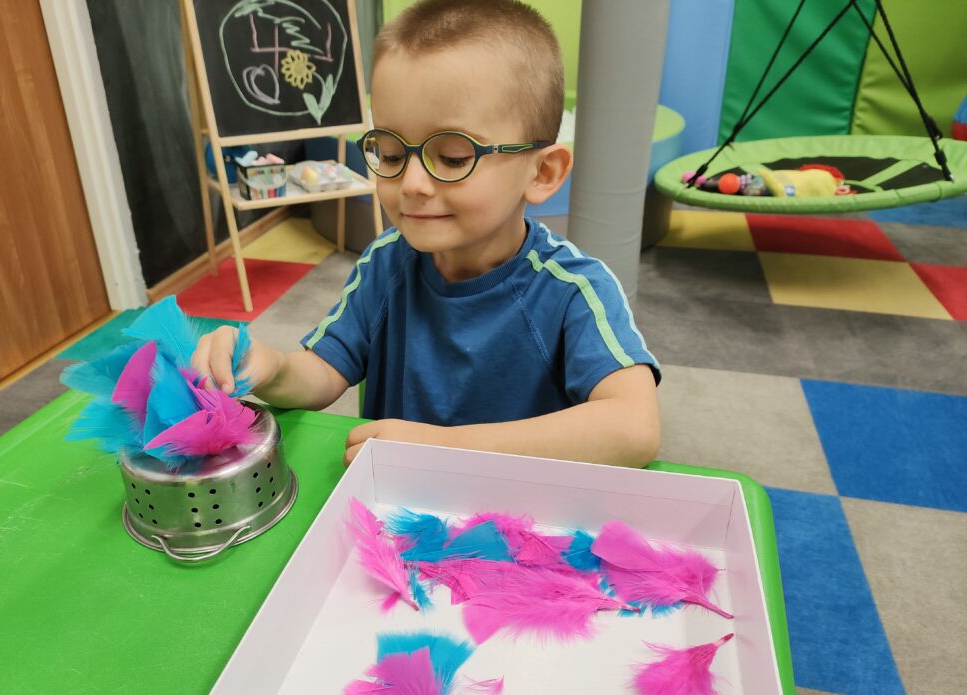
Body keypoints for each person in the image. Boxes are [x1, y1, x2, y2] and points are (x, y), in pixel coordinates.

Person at [193, 0, 661, 467]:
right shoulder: (386, 262)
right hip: (392, 501)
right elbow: (324, 369)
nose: (412, 184)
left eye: (454, 157)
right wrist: (270, 367)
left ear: (542, 173)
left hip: (514, 507)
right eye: (391, 154)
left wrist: (441, 448)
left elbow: (633, 428)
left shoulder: (575, 288)